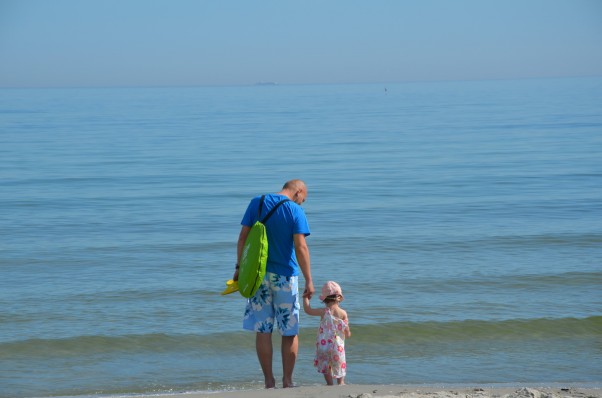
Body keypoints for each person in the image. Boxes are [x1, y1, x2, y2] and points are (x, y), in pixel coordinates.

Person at [233, 179, 314, 389]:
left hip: (257, 276)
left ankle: (269, 382)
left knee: (263, 329)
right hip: (285, 276)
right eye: (302, 200)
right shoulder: (295, 211)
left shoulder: (257, 203)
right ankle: (287, 381)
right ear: (298, 192)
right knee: (289, 330)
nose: (301, 203)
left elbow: (243, 238)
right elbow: (301, 247)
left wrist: (239, 269)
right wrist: (309, 280)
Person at [303, 281, 351, 386]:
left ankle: (329, 383)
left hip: (323, 344)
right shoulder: (343, 313)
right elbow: (346, 330)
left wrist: (305, 297)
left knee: (326, 365)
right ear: (339, 297)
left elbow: (308, 310)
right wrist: (348, 334)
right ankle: (341, 382)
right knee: (339, 362)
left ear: (324, 299)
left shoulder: (323, 311)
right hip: (337, 346)